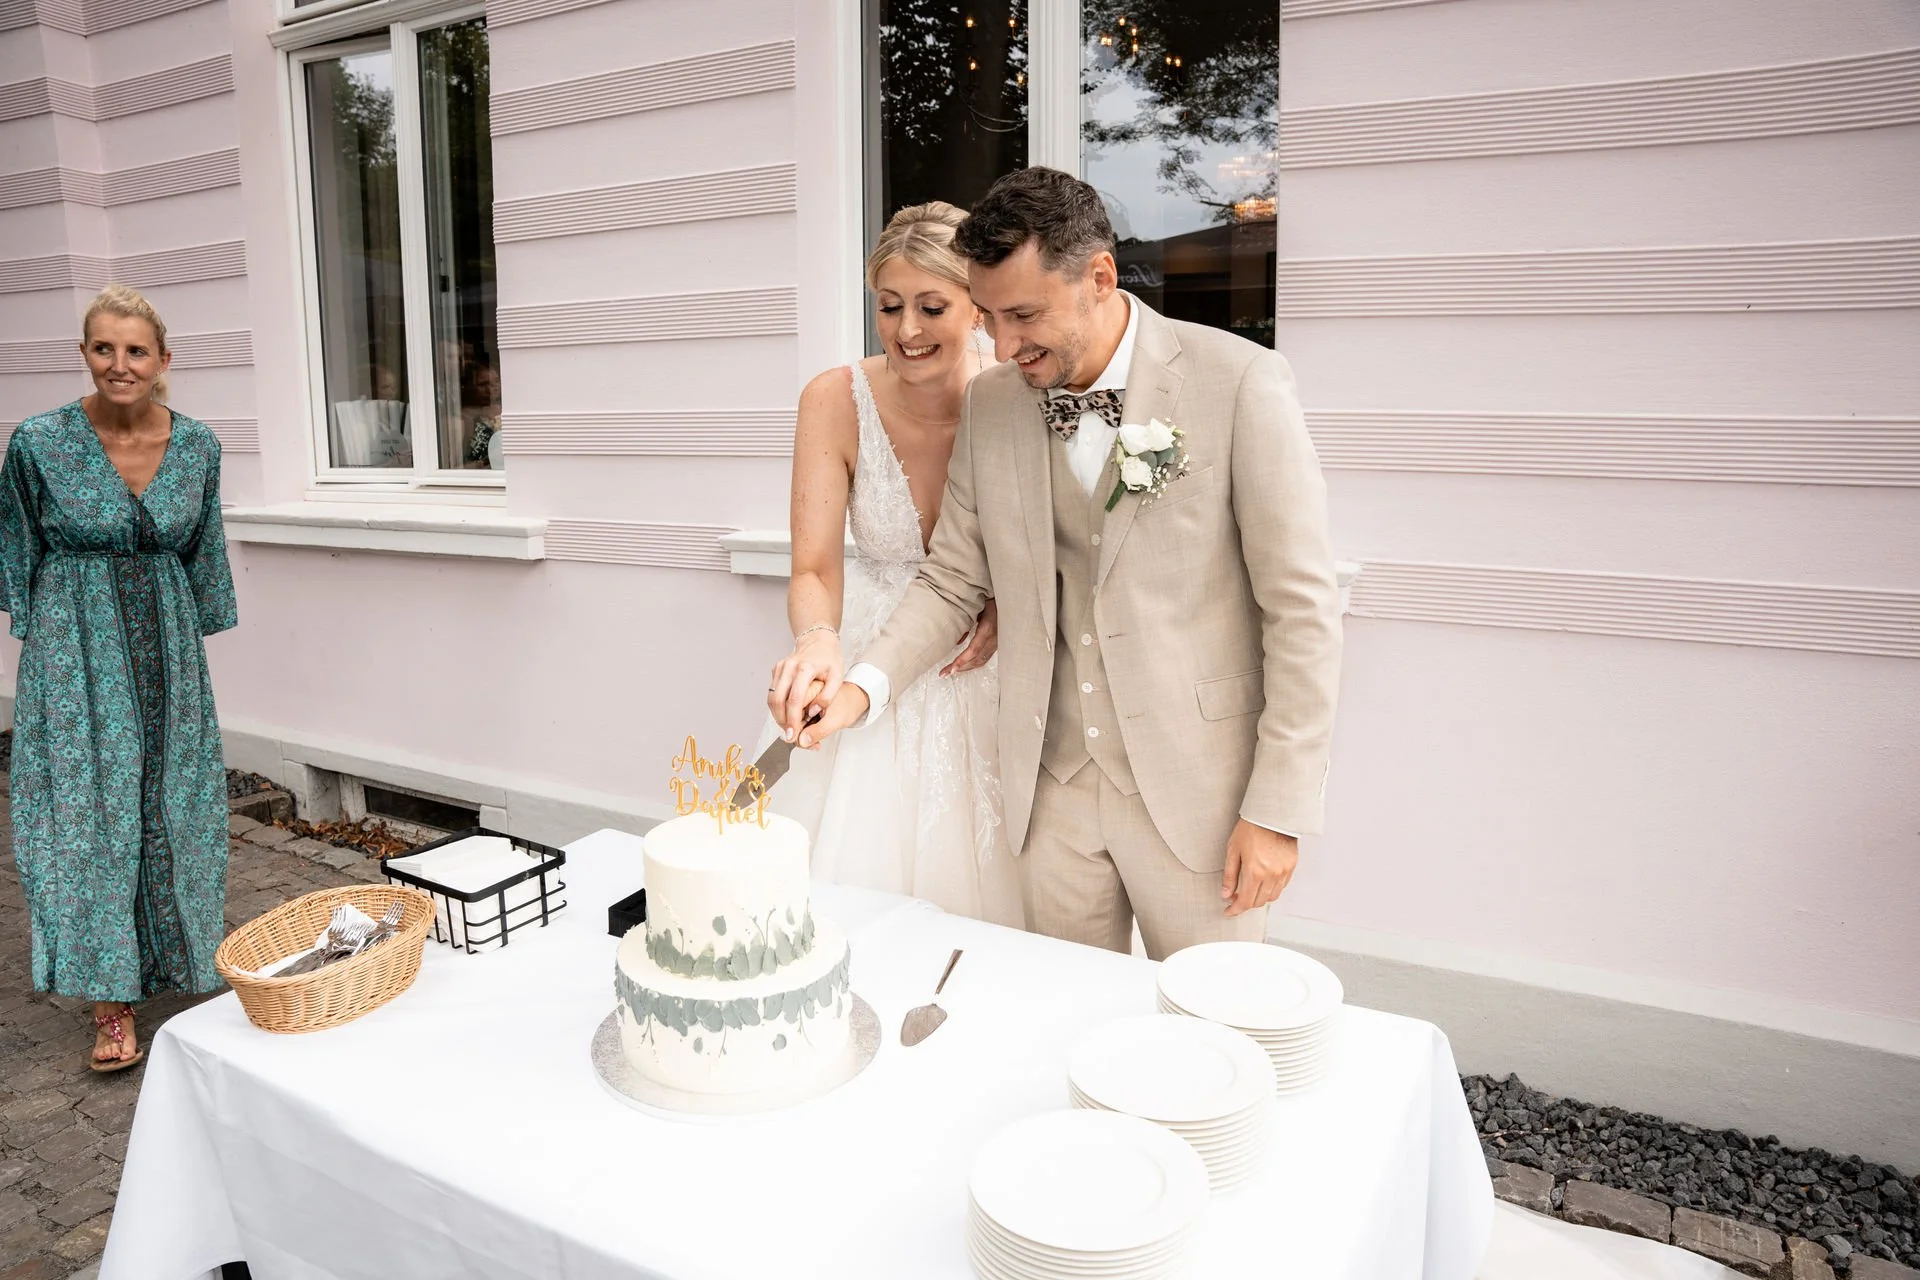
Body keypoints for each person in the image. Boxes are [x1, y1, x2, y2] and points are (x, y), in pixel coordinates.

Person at [784, 168, 1342, 959]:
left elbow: (1303, 613)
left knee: (1211, 1037)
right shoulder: (996, 401)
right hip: (1051, 795)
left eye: (1022, 316)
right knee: (1063, 1025)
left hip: (1200, 799)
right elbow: (951, 580)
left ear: (1100, 278)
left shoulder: (1239, 382)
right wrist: (856, 694)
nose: (1004, 348)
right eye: (991, 319)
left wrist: (1277, 810)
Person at [762, 202, 1023, 928]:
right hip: (872, 653)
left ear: (977, 306)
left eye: (932, 306)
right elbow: (813, 566)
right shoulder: (833, 399)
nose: (908, 330)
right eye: (889, 306)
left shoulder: (1016, 394)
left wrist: (1009, 601)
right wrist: (818, 639)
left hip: (990, 662)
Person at [0, 285, 239, 1070]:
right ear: (85, 354)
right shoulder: (38, 443)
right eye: (103, 348)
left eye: (135, 350)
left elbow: (203, 549)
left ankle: (183, 959)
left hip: (169, 649)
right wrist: (43, 659)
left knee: (180, 799)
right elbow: (19, 549)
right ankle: (111, 1003)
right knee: (88, 814)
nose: (119, 364)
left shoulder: (198, 444)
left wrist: (197, 625)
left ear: (163, 361)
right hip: (77, 652)